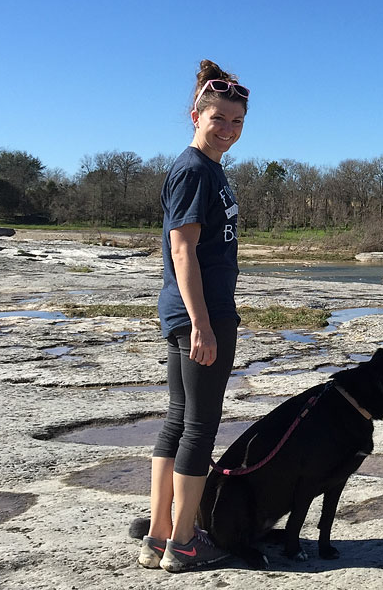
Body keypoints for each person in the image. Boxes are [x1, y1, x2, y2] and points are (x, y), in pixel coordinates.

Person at [139, 59, 249, 572]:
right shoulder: (192, 169)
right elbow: (182, 251)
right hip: (200, 314)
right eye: (218, 119)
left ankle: (160, 536)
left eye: (236, 121)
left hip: (195, 312)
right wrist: (202, 323)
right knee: (199, 426)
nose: (227, 129)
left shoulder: (211, 169)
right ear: (195, 116)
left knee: (179, 421)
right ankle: (184, 543)